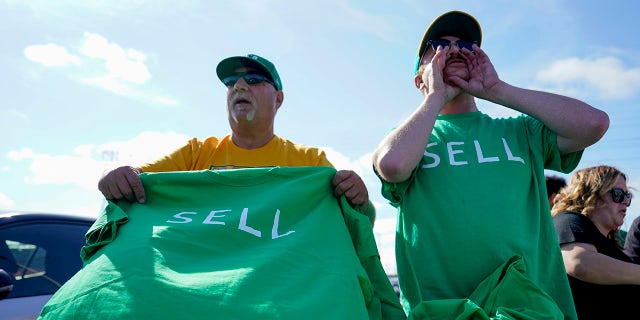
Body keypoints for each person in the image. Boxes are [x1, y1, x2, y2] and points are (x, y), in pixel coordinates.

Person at [372, 10, 609, 319]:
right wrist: (434, 97)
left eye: (467, 45)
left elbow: (594, 124)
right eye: (440, 45)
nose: (455, 49)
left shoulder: (521, 131)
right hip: (442, 310)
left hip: (530, 308)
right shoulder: (408, 139)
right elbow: (392, 165)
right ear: (419, 77)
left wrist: (497, 89)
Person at [98, 54, 374, 221]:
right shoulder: (194, 154)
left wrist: (359, 199)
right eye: (231, 83)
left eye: (253, 80)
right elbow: (136, 182)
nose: (239, 86)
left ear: (278, 99)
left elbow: (359, 221)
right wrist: (118, 178)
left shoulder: (310, 162)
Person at [552, 165, 640, 319]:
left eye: (628, 196)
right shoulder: (569, 220)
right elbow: (579, 263)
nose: (625, 202)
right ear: (593, 195)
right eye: (618, 194)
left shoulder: (611, 247)